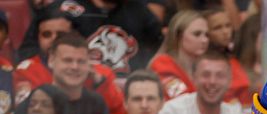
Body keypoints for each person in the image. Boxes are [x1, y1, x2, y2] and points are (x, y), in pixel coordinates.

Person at [13, 10, 126, 114]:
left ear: (75, 35)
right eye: (46, 34)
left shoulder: (102, 74)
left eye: (60, 34)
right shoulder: (26, 70)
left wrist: (100, 84)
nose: (53, 39)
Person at [14, 33, 110, 114]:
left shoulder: (98, 104)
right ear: (51, 61)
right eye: (67, 60)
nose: (75, 67)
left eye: (81, 61)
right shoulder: (31, 106)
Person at [18, 0, 164, 74]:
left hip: (126, 90)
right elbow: (29, 51)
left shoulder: (138, 11)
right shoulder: (66, 7)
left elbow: (161, 50)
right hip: (72, 87)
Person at [149, 10, 209, 100]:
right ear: (179, 36)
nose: (204, 40)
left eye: (206, 35)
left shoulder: (204, 67)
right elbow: (181, 101)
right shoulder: (162, 64)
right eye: (197, 34)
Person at [203, 7, 251, 107]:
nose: (225, 32)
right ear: (206, 33)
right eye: (217, 28)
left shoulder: (234, 59)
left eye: (228, 26)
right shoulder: (203, 65)